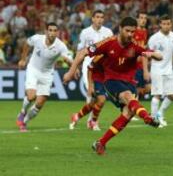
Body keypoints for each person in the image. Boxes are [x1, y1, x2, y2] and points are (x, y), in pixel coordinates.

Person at [63, 17, 162, 155]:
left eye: (133, 32)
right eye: (127, 31)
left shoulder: (134, 47)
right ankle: (147, 117)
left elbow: (158, 56)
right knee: (126, 98)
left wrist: (151, 54)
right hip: (111, 81)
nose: (130, 34)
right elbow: (82, 53)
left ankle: (100, 143)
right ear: (120, 28)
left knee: (128, 114)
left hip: (129, 82)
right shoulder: (108, 43)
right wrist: (70, 72)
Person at [16, 22, 73, 132]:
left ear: (57, 33)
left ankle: (24, 122)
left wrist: (73, 70)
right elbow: (27, 44)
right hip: (33, 69)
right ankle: (22, 112)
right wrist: (23, 59)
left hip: (47, 74)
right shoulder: (37, 39)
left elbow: (69, 59)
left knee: (39, 104)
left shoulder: (60, 46)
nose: (52, 33)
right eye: (50, 30)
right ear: (46, 31)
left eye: (54, 30)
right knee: (31, 96)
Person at [71, 10, 113, 130]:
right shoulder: (85, 33)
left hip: (102, 68)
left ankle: (77, 116)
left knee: (98, 98)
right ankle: (92, 121)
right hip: (88, 66)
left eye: (102, 17)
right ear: (93, 19)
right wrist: (76, 67)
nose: (100, 19)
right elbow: (80, 51)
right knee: (92, 92)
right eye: (97, 17)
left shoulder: (108, 32)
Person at [147, 15, 173, 128]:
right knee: (157, 95)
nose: (166, 26)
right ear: (160, 24)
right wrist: (146, 70)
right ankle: (153, 120)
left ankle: (160, 114)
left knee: (172, 95)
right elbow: (147, 54)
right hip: (157, 69)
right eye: (164, 24)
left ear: (171, 24)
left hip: (168, 69)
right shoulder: (154, 38)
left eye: (168, 23)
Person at [69, 55, 106, 130]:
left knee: (95, 101)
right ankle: (92, 121)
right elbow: (90, 67)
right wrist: (90, 85)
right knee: (101, 100)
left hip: (104, 76)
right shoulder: (102, 54)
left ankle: (77, 116)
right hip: (94, 75)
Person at [133, 11, 151, 98]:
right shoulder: (133, 31)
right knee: (136, 93)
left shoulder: (145, 32)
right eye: (141, 18)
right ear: (137, 19)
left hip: (142, 65)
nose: (143, 20)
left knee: (148, 89)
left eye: (145, 18)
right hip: (134, 66)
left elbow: (144, 48)